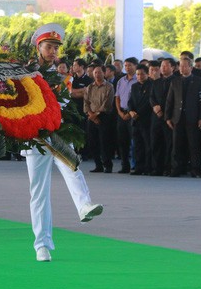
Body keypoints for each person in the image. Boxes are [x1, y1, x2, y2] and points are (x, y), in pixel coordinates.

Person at [25, 23, 103, 263]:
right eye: (48, 47)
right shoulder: (26, 74)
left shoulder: (64, 78)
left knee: (72, 166)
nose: (52, 51)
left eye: (55, 48)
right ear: (39, 47)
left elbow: (60, 105)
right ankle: (42, 245)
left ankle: (84, 206)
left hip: (55, 132)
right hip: (34, 137)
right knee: (39, 192)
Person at [165, 51, 201, 177]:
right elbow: (169, 100)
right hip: (177, 118)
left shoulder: (199, 81)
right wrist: (167, 117)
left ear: (191, 67)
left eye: (185, 66)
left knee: (194, 145)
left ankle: (196, 169)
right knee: (177, 145)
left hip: (193, 118)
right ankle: (177, 168)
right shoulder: (175, 81)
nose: (182, 68)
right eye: (181, 66)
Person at [84, 64, 115, 174]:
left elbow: (107, 103)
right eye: (95, 72)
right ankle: (98, 165)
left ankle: (108, 165)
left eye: (99, 72)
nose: (97, 74)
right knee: (93, 142)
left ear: (104, 73)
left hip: (104, 117)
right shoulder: (89, 87)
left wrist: (96, 114)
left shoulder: (109, 86)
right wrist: (91, 115)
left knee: (104, 142)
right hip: (91, 117)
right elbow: (86, 102)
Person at [149, 58, 176, 176]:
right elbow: (152, 97)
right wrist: (155, 106)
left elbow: (175, 100)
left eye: (166, 66)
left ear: (173, 68)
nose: (163, 68)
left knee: (168, 144)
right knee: (155, 142)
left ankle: (168, 167)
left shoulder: (176, 81)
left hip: (169, 117)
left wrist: (164, 110)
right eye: (162, 66)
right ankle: (156, 168)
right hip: (156, 117)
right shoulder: (156, 81)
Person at [127, 64, 153, 175]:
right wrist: (131, 110)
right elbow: (130, 101)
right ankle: (138, 167)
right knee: (137, 145)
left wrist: (139, 113)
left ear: (147, 74)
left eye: (142, 74)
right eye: (137, 74)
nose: (140, 76)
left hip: (146, 119)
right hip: (135, 120)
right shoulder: (134, 86)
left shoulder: (152, 85)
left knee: (148, 144)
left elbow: (149, 102)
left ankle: (148, 167)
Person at [114, 57, 138, 173]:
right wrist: (119, 111)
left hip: (133, 114)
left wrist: (129, 113)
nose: (127, 67)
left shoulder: (138, 80)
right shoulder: (121, 81)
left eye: (130, 65)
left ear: (135, 66)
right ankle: (125, 165)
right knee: (122, 141)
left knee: (134, 141)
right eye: (126, 65)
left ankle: (135, 165)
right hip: (121, 113)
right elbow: (117, 97)